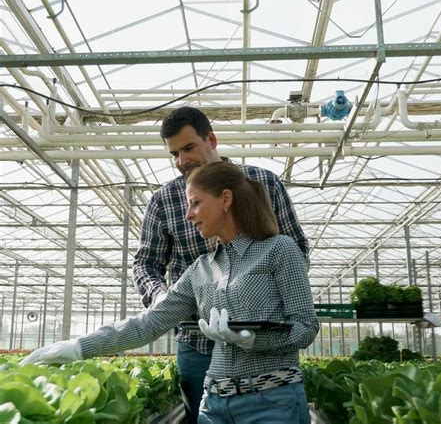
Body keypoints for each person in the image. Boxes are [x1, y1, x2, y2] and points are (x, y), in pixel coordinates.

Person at [22, 162, 319, 424]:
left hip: (270, 404)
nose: (188, 215)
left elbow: (306, 328)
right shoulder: (200, 269)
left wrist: (255, 339)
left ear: (225, 199)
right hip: (213, 406)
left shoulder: (279, 249)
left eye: (195, 203)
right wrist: (78, 347)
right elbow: (149, 323)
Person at [132, 106, 309, 423]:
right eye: (174, 153)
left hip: (264, 343)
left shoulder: (262, 182)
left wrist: (263, 298)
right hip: (198, 344)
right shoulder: (164, 200)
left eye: (188, 148)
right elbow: (146, 264)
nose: (181, 161)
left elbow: (295, 248)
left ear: (211, 139)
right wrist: (163, 299)